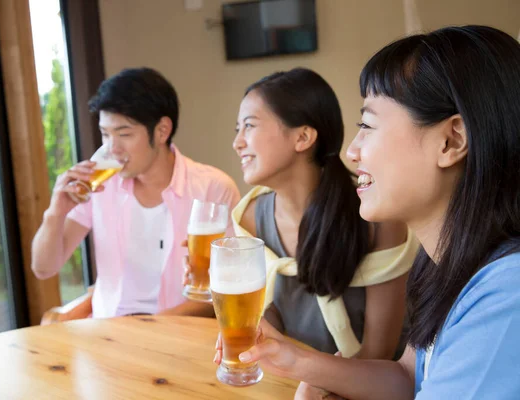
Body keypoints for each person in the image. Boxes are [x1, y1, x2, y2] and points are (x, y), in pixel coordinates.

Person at [217, 25, 520, 399]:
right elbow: (408, 378)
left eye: (368, 125)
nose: (352, 151)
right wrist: (293, 360)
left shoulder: (506, 293)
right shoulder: (444, 258)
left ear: (451, 140)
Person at [191, 67, 419, 362]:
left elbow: (379, 352)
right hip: (293, 381)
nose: (237, 142)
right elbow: (270, 311)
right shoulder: (248, 217)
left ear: (303, 137)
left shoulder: (377, 216)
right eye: (238, 129)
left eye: (249, 126)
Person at [32, 67, 240, 318]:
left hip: (180, 335)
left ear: (162, 130)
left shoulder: (212, 188)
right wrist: (56, 211)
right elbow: (43, 268)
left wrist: (149, 329)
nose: (112, 149)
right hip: (109, 335)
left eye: (124, 134)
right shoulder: (100, 185)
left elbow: (230, 289)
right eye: (105, 134)